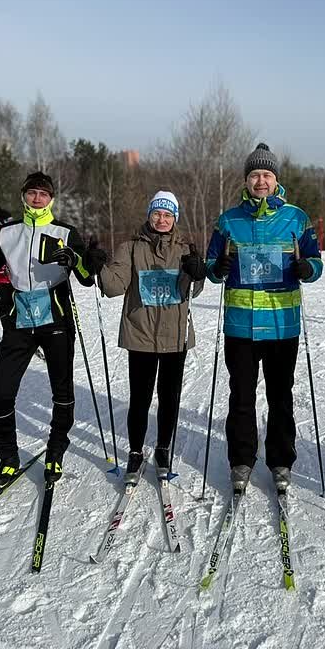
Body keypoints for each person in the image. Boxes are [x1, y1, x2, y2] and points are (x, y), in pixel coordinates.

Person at [0, 171, 108, 488]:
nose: (37, 198)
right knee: (0, 396)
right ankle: (9, 459)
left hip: (55, 319)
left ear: (51, 198)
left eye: (43, 194)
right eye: (32, 193)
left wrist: (74, 258)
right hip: (20, 322)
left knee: (63, 393)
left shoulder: (65, 232)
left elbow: (85, 277)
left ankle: (55, 451)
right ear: (24, 195)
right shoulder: (8, 232)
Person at [205, 142, 323, 494]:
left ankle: (281, 460)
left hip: (281, 323)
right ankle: (241, 459)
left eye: (267, 175)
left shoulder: (296, 218)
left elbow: (316, 261)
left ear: (276, 180)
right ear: (246, 180)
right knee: (241, 395)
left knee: (280, 395)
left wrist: (307, 267)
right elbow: (212, 266)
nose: (261, 181)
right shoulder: (229, 221)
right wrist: (218, 267)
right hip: (240, 324)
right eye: (255, 175)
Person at [98, 191, 205, 483]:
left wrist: (199, 273)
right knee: (140, 397)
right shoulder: (131, 248)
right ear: (149, 215)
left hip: (175, 336)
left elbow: (193, 291)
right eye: (157, 213)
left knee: (169, 397)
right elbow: (113, 286)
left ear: (175, 218)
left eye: (168, 215)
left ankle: (162, 447)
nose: (161, 219)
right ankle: (135, 451)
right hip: (141, 334)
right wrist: (99, 266)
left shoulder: (185, 249)